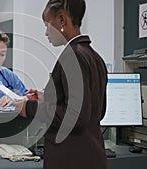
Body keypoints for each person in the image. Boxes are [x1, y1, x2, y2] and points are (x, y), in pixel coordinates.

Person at [16, 0, 108, 169]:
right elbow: (98, 111)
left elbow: (76, 117)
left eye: (47, 25)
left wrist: (29, 108)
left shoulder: (72, 57)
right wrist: (48, 98)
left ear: (61, 20)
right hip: (92, 154)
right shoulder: (94, 57)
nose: (46, 33)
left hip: (72, 158)